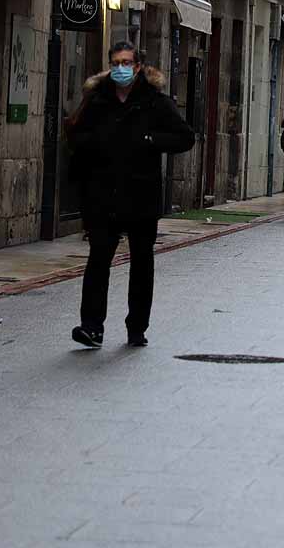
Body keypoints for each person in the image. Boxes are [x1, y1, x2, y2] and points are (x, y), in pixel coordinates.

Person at [67, 42, 195, 348]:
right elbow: (75, 135)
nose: (120, 68)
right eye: (115, 63)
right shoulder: (97, 100)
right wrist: (96, 143)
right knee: (98, 260)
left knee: (141, 262)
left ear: (138, 67)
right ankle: (91, 326)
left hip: (141, 194)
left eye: (126, 62)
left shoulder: (154, 102)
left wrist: (151, 140)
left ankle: (137, 326)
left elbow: (184, 137)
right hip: (103, 194)